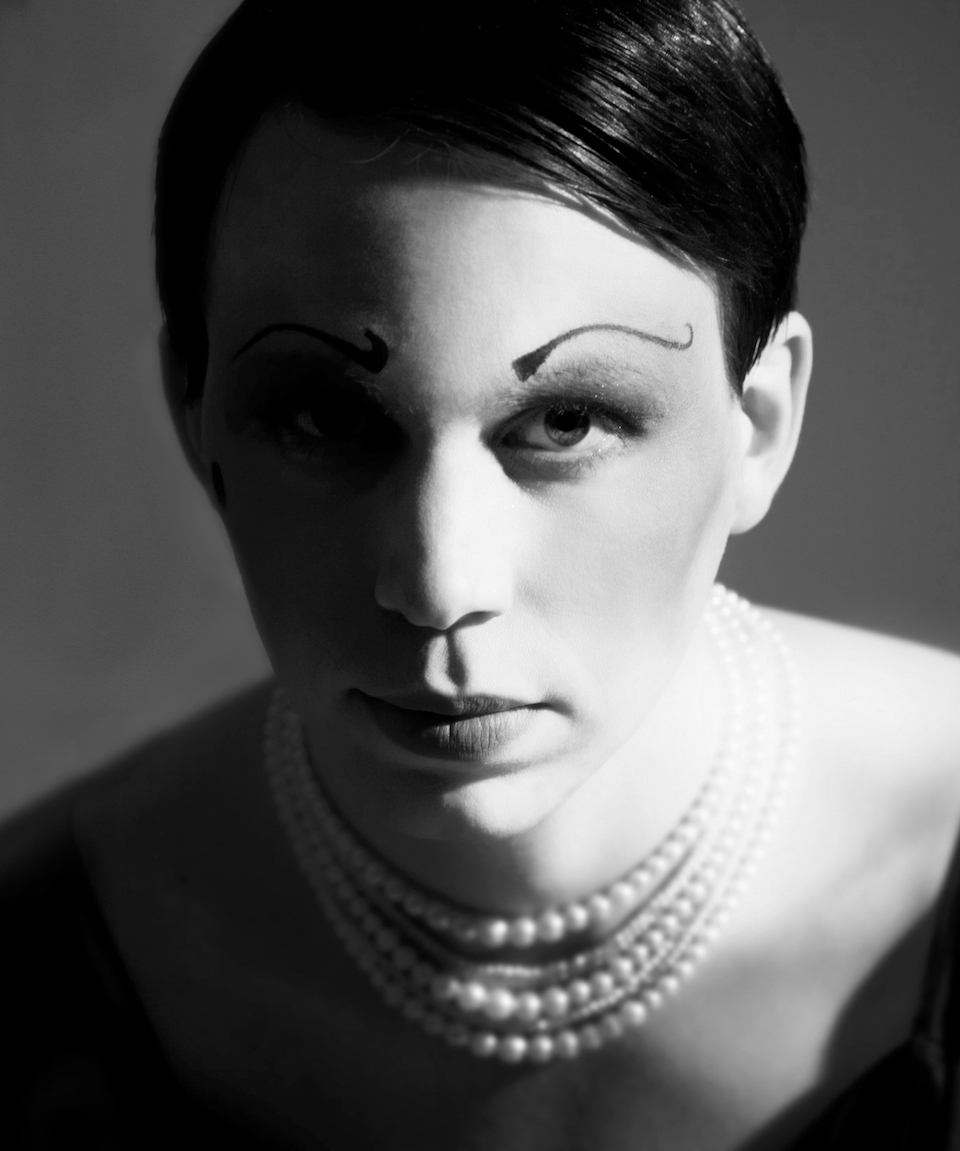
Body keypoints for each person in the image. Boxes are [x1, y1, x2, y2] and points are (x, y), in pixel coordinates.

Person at [4, 0, 960, 1147]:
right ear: (192, 416)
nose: (439, 583)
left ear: (757, 426)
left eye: (566, 420)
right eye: (324, 418)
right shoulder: (35, 964)